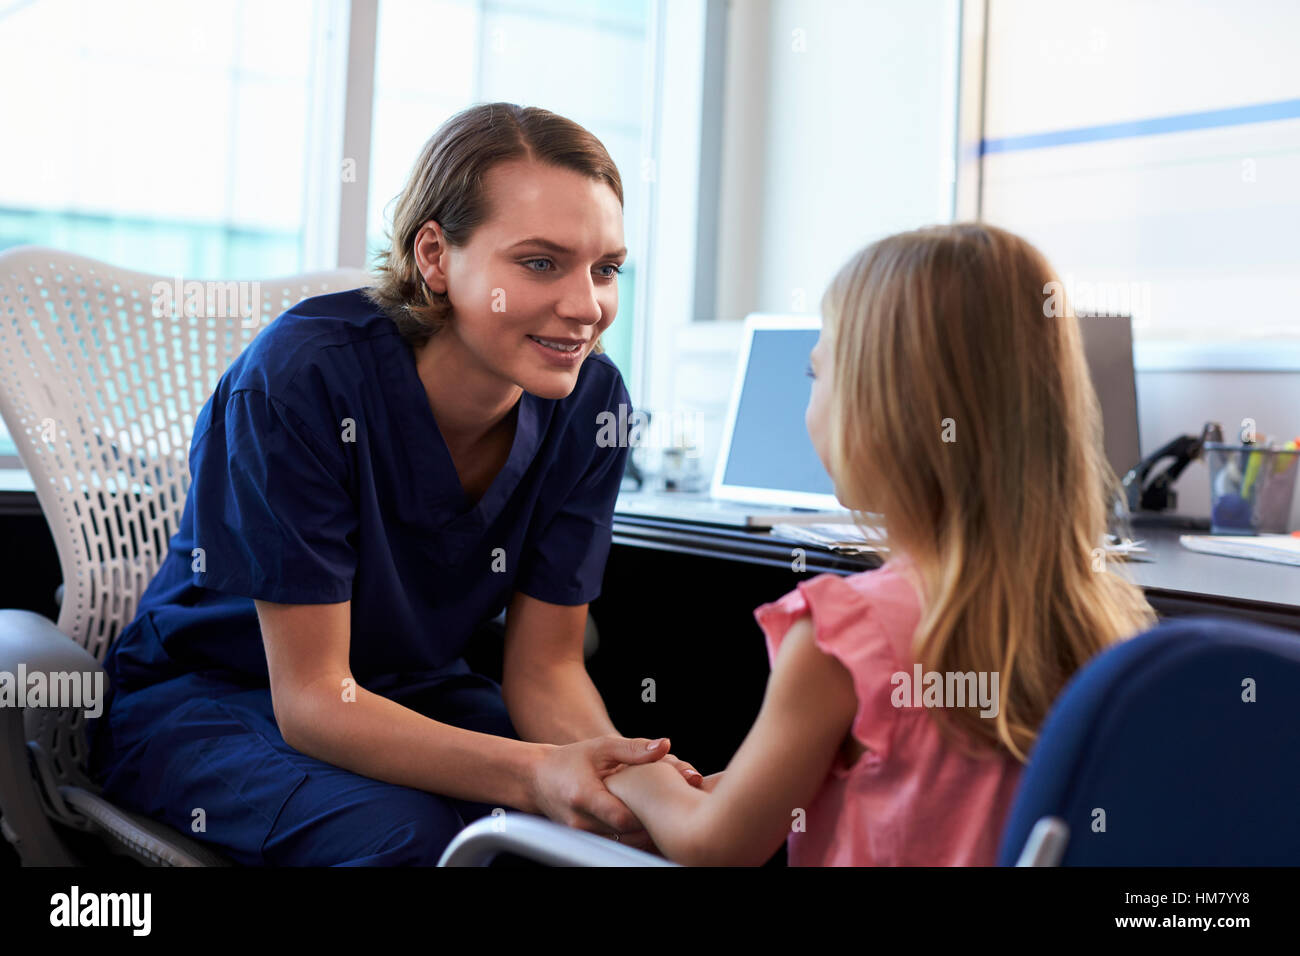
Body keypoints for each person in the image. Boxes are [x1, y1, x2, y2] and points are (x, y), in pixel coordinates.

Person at [88, 102, 702, 866]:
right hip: (218, 703)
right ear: (437, 256)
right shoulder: (300, 382)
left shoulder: (592, 405)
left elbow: (546, 668)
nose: (587, 308)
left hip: (417, 696)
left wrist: (623, 778)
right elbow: (314, 701)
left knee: (590, 833)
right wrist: (541, 772)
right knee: (409, 838)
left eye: (606, 269)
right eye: (540, 263)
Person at [602, 223, 1158, 866]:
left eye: (817, 371)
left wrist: (630, 773)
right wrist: (721, 790)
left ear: (878, 405)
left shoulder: (845, 634)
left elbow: (714, 846)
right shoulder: (1106, 625)